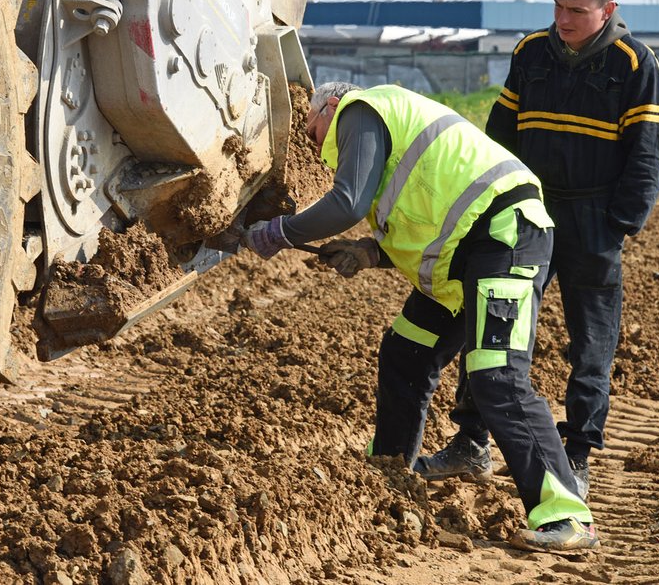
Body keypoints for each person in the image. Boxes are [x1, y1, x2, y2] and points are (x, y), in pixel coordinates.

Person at [240, 81, 598, 551]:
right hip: (461, 260)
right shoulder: (379, 144)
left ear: (330, 103)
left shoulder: (360, 109)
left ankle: (567, 515)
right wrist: (370, 252)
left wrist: (280, 233)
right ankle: (390, 472)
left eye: (309, 124)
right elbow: (423, 217)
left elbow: (345, 203)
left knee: (498, 378)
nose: (310, 138)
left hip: (504, 236)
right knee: (405, 353)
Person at [416, 0, 659, 501]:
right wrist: (489, 196)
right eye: (558, 6)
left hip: (592, 220)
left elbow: (648, 156)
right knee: (494, 322)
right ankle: (471, 440)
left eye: (577, 11)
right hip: (526, 212)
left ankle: (575, 455)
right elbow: (500, 132)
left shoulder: (635, 65)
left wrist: (617, 225)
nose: (564, 19)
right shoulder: (530, 52)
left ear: (609, 10)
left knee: (591, 343)